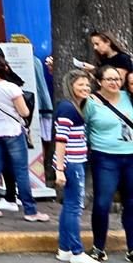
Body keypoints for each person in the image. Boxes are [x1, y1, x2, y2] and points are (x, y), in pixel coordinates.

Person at [0, 55, 49, 222]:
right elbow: (24, 112)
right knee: (21, 170)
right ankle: (30, 210)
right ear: (6, 69)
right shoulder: (12, 88)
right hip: (12, 132)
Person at [85, 65, 133, 261]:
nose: (114, 83)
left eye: (117, 79)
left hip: (130, 156)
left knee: (131, 203)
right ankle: (98, 247)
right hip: (105, 157)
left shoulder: (128, 96)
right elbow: (85, 129)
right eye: (109, 79)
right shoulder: (91, 102)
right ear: (99, 81)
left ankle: (132, 249)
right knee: (102, 203)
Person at [54, 70, 95, 263]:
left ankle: (65, 249)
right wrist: (60, 169)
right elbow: (61, 140)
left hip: (73, 162)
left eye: (87, 84)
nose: (85, 88)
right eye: (80, 84)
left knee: (68, 207)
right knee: (73, 208)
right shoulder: (68, 109)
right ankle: (77, 252)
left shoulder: (73, 107)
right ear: (71, 86)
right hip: (72, 163)